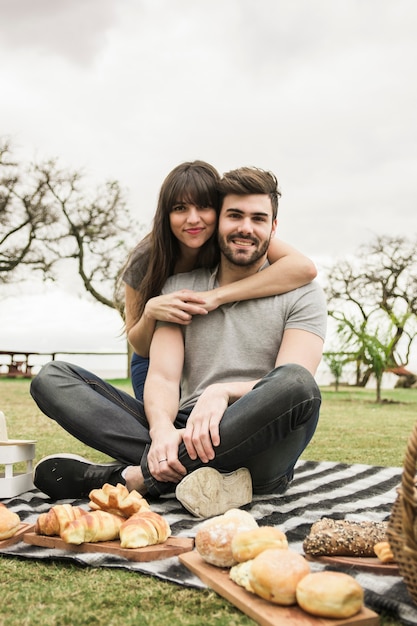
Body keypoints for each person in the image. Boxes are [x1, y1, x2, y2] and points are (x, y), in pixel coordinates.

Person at [31, 166, 327, 519]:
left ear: (273, 228)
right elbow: (163, 377)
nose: (246, 227)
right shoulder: (177, 288)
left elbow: (293, 376)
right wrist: (161, 432)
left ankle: (131, 477)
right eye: (234, 215)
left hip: (264, 439)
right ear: (218, 222)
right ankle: (175, 467)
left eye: (258, 218)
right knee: (52, 377)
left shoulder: (303, 293)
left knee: (297, 384)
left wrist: (222, 393)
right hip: (187, 426)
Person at [121, 160, 317, 400]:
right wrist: (151, 312)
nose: (193, 219)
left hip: (201, 351)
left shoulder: (234, 237)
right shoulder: (146, 258)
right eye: (180, 208)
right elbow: (139, 346)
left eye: (203, 206)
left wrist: (216, 296)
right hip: (153, 356)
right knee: (160, 424)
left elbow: (304, 268)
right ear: (166, 214)